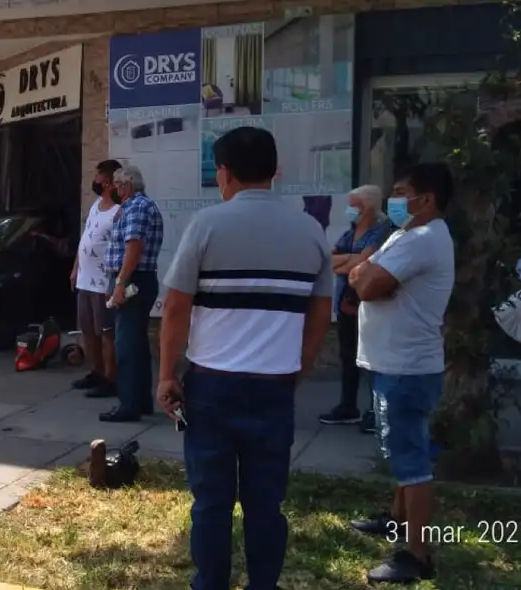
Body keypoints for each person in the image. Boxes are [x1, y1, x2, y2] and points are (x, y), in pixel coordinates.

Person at [156, 126, 333, 590]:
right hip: (275, 387)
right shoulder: (309, 230)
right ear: (275, 172)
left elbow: (176, 307)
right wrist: (300, 367)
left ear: (225, 173)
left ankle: (210, 584)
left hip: (212, 385)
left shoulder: (208, 225)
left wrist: (166, 375)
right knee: (265, 504)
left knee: (211, 503)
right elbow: (320, 311)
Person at [347, 162, 455, 584]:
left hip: (406, 367)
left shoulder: (424, 239)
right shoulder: (404, 234)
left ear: (425, 199)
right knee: (404, 450)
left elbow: (368, 283)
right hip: (393, 362)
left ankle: (417, 555)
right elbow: (362, 269)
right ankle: (396, 519)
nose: (394, 200)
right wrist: (365, 273)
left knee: (409, 457)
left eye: (400, 191)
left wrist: (365, 275)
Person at [319, 185, 394, 431]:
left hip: (368, 303)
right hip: (345, 303)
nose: (349, 210)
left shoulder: (380, 231)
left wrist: (351, 262)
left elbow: (364, 263)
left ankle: (376, 412)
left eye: (354, 205)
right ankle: (348, 406)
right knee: (348, 356)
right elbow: (331, 259)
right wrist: (350, 262)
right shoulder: (350, 233)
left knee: (372, 358)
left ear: (368, 207)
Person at [100, 165, 163, 422]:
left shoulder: (136, 206)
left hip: (133, 280)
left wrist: (119, 284)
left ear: (128, 184)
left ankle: (128, 404)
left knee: (125, 345)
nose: (113, 188)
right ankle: (141, 401)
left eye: (116, 183)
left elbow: (133, 247)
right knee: (136, 343)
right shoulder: (137, 206)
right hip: (138, 279)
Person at [70, 160, 122, 398]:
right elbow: (85, 239)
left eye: (98, 178)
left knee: (106, 332)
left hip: (103, 282)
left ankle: (111, 378)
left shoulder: (118, 211)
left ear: (109, 182)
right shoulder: (96, 205)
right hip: (85, 280)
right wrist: (75, 269)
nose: (95, 182)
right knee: (88, 330)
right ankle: (96, 372)